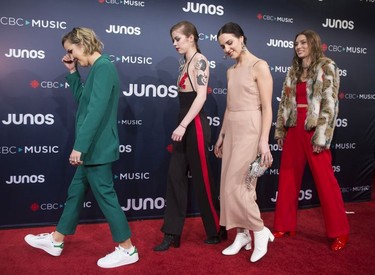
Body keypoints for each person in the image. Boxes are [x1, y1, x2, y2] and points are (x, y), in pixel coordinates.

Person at [24, 27, 139, 268]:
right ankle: (56, 240)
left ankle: (128, 250)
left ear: (83, 43)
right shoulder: (97, 69)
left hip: (97, 147)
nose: (71, 55)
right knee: (75, 194)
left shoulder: (104, 67)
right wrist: (73, 72)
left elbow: (95, 113)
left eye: (71, 50)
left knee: (106, 197)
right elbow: (84, 102)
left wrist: (80, 147)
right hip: (93, 147)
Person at [273, 29, 350, 251]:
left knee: (326, 181)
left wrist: (322, 135)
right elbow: (284, 103)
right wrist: (281, 130)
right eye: (296, 43)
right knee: (287, 177)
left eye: (303, 42)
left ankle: (340, 232)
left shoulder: (327, 66)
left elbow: (330, 103)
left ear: (313, 43)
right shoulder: (293, 70)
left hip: (314, 129)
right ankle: (285, 225)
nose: (298, 46)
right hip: (293, 129)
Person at [154, 21, 224, 251]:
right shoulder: (184, 63)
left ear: (191, 37)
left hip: (194, 124)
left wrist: (183, 125)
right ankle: (172, 233)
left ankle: (216, 229)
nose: (174, 44)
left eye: (178, 38)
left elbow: (201, 96)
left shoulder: (200, 61)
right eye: (173, 40)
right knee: (175, 177)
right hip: (184, 122)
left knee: (203, 180)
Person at [214, 22, 274, 263]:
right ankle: (241, 235)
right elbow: (229, 107)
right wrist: (221, 135)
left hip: (251, 127)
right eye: (222, 46)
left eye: (230, 42)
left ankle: (259, 231)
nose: (227, 49)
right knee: (227, 188)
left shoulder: (260, 66)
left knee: (240, 186)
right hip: (233, 129)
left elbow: (268, 108)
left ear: (242, 38)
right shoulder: (230, 71)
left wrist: (263, 141)